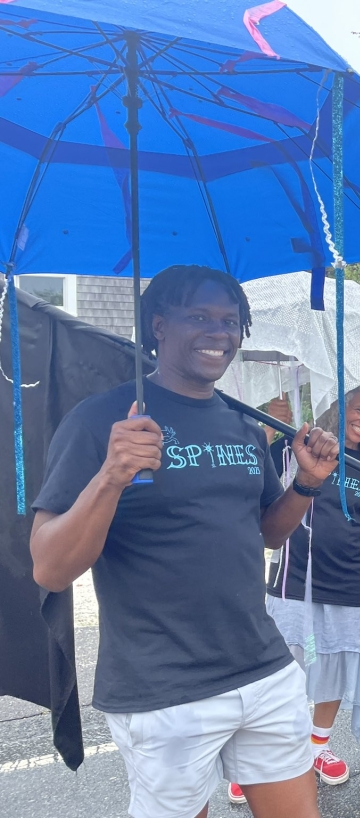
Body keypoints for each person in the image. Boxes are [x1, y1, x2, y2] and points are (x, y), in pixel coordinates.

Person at [29, 266, 339, 818]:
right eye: (198, 317)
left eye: (230, 321)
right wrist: (111, 475)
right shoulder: (101, 421)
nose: (218, 332)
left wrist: (306, 483)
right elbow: (50, 569)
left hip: (262, 667)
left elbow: (266, 532)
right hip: (165, 689)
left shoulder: (243, 424)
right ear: (158, 326)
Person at [226, 387, 360, 805]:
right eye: (359, 409)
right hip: (295, 578)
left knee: (336, 667)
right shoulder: (296, 442)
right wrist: (268, 429)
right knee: (280, 673)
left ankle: (316, 749)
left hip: (353, 581)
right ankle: (261, 760)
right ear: (339, 407)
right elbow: (254, 478)